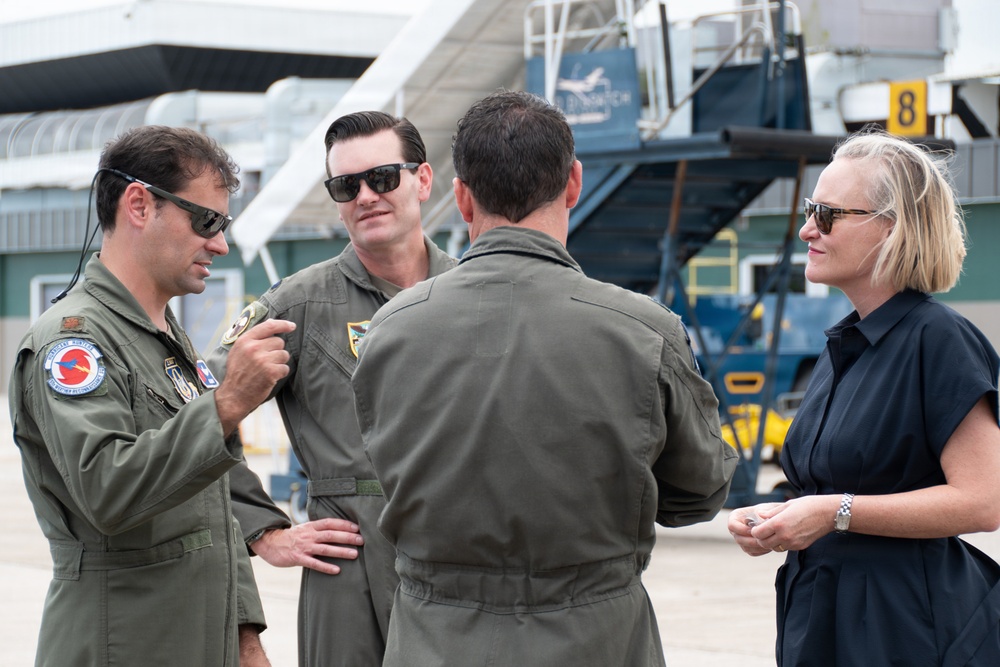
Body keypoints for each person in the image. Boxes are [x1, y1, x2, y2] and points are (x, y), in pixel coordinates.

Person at [351, 90, 738, 667]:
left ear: (461, 196)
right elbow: (699, 493)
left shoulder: (389, 329)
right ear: (574, 183)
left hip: (434, 640)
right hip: (596, 640)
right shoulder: (643, 330)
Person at [8, 125, 294, 666]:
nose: (220, 243)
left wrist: (245, 638)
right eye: (205, 220)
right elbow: (107, 489)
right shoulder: (73, 344)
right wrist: (227, 403)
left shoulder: (165, 339)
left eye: (223, 224)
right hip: (123, 642)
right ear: (139, 204)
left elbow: (212, 510)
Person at [729, 129, 1000, 665]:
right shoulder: (845, 344)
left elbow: (982, 501)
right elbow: (839, 486)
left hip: (902, 630)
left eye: (827, 214)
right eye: (811, 210)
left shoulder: (939, 340)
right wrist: (782, 515)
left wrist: (835, 512)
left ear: (891, 227)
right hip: (822, 614)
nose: (808, 228)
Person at [207, 110, 458, 666]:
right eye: (347, 185)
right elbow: (194, 406)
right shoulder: (297, 306)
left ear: (422, 179)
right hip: (349, 563)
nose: (366, 195)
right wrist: (262, 528)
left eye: (383, 177)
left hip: (460, 559)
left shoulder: (472, 294)